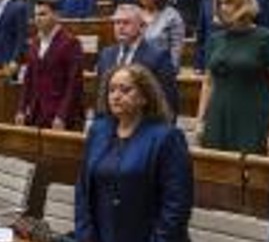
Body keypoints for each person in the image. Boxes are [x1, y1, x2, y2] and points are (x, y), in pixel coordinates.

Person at [75, 65, 193, 242]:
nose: (116, 96)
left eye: (125, 90)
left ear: (144, 97)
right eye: (111, 90)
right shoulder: (98, 131)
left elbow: (176, 205)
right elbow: (83, 190)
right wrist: (86, 237)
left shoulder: (167, 138)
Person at [196, 0, 269, 155]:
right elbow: (208, 83)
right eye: (220, 3)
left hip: (254, 117)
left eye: (229, 2)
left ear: (245, 5)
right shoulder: (215, 39)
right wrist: (200, 120)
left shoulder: (268, 38)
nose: (223, 8)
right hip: (218, 116)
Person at [97, 5, 179, 116]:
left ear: (142, 27)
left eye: (126, 23)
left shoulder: (158, 56)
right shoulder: (106, 54)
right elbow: (101, 96)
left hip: (145, 121)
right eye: (117, 23)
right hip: (111, 121)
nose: (120, 27)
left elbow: (169, 99)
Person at [16, 0, 84, 130]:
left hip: (59, 116)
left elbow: (74, 84)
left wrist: (62, 115)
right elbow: (28, 79)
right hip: (35, 114)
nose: (37, 19)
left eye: (43, 14)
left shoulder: (71, 42)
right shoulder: (35, 42)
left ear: (56, 16)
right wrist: (21, 109)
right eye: (35, 15)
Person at [136, 0, 186, 68]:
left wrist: (172, 67)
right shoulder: (136, 14)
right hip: (139, 67)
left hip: (162, 66)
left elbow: (176, 46)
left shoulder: (171, 15)